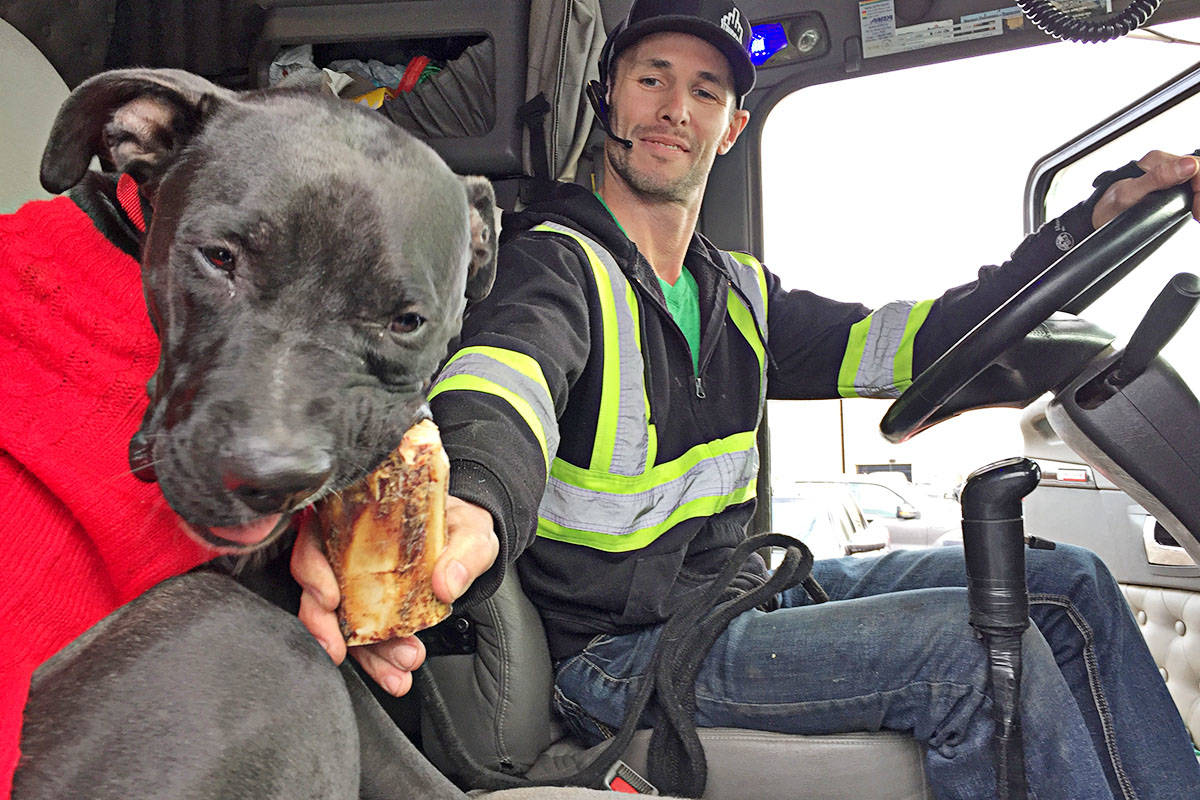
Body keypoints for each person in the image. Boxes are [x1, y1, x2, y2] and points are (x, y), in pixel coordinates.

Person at [293, 1, 1200, 797]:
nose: (673, 107)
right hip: (623, 657)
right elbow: (507, 378)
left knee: (1071, 584)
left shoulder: (743, 296)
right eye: (652, 78)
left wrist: (1087, 225)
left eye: (704, 91)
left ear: (730, 127)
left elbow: (926, 336)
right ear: (612, 96)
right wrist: (475, 499)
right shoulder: (555, 261)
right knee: (969, 655)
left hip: (743, 602)